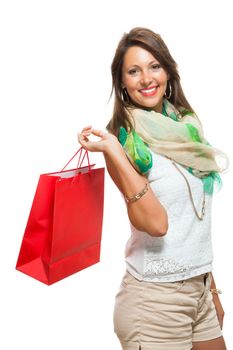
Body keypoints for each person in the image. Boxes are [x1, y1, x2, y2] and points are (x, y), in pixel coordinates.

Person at [78, 27, 228, 350]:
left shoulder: (185, 127)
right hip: (155, 303)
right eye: (134, 71)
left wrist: (210, 288)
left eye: (154, 66)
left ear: (168, 71)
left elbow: (194, 220)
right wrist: (114, 152)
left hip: (199, 292)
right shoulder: (125, 142)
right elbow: (158, 224)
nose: (146, 79)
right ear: (122, 83)